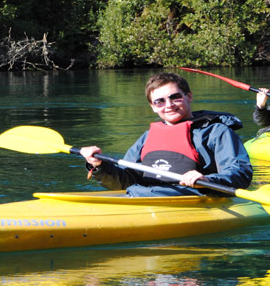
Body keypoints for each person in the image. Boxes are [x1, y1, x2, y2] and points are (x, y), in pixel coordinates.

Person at [79, 72, 253, 197]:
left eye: (175, 97)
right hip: (142, 196)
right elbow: (125, 181)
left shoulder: (216, 132)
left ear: (189, 96)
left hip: (192, 199)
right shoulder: (147, 137)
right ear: (153, 107)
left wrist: (207, 179)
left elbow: (240, 173)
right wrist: (100, 165)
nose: (168, 105)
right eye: (160, 101)